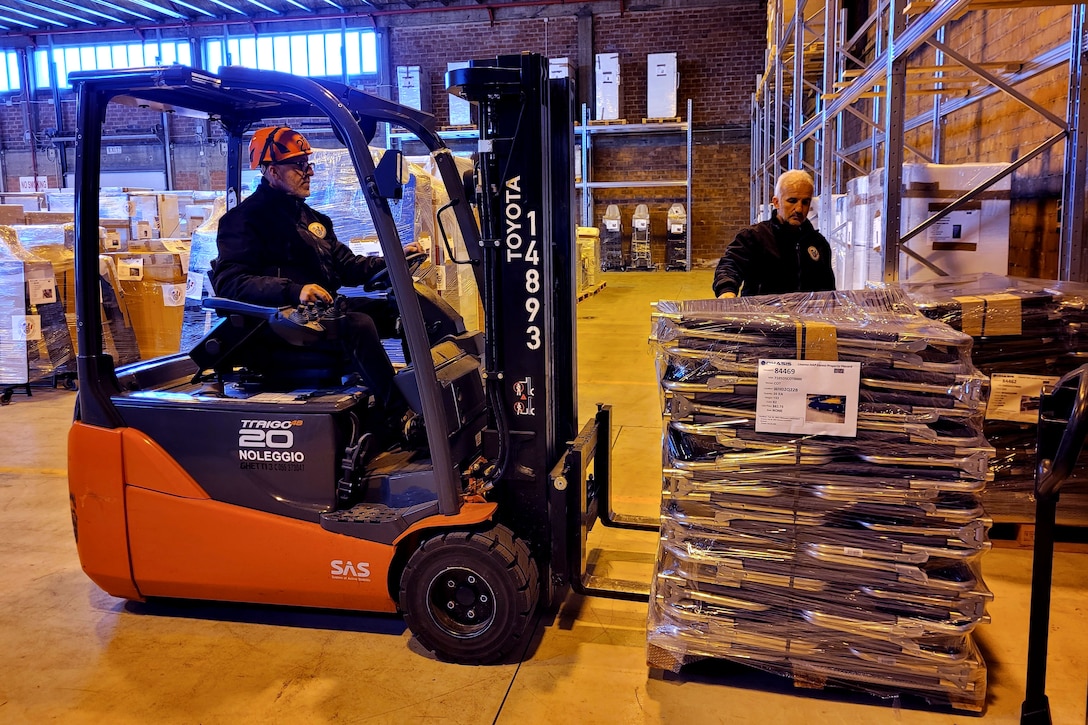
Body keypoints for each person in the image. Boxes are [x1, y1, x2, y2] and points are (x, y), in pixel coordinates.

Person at [211, 125, 414, 415]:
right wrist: (295, 291)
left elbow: (347, 266)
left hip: (319, 314)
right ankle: (400, 414)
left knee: (407, 311)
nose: (309, 172)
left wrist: (395, 261)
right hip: (278, 322)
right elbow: (230, 283)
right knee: (358, 324)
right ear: (272, 171)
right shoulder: (244, 221)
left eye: (308, 164)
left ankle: (429, 399)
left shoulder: (312, 219)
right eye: (298, 165)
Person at [712, 169, 835, 298]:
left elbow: (827, 288)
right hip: (761, 316)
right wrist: (727, 290)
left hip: (806, 317)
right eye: (792, 201)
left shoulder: (819, 243)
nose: (799, 209)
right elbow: (730, 265)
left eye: (805, 202)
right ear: (776, 202)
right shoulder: (753, 237)